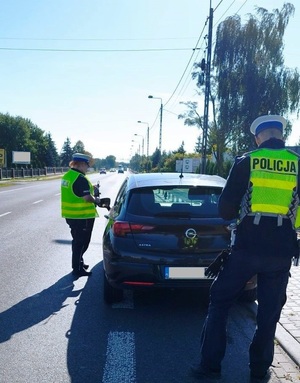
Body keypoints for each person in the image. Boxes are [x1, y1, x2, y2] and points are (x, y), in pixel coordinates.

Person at [191, 115, 300, 381]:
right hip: (281, 252)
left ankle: (210, 367)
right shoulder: (298, 164)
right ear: (281, 134)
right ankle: (259, 370)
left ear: (257, 137)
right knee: (269, 313)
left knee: (220, 302)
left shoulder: (247, 161)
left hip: (247, 249)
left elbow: (225, 210)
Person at [61, 153, 101, 277]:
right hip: (81, 216)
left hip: (71, 215)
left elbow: (76, 190)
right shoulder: (80, 178)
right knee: (82, 243)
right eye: (87, 166)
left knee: (77, 241)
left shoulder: (68, 176)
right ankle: (77, 269)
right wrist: (97, 200)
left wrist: (91, 187)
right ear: (81, 164)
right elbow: (87, 198)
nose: (87, 168)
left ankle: (79, 262)